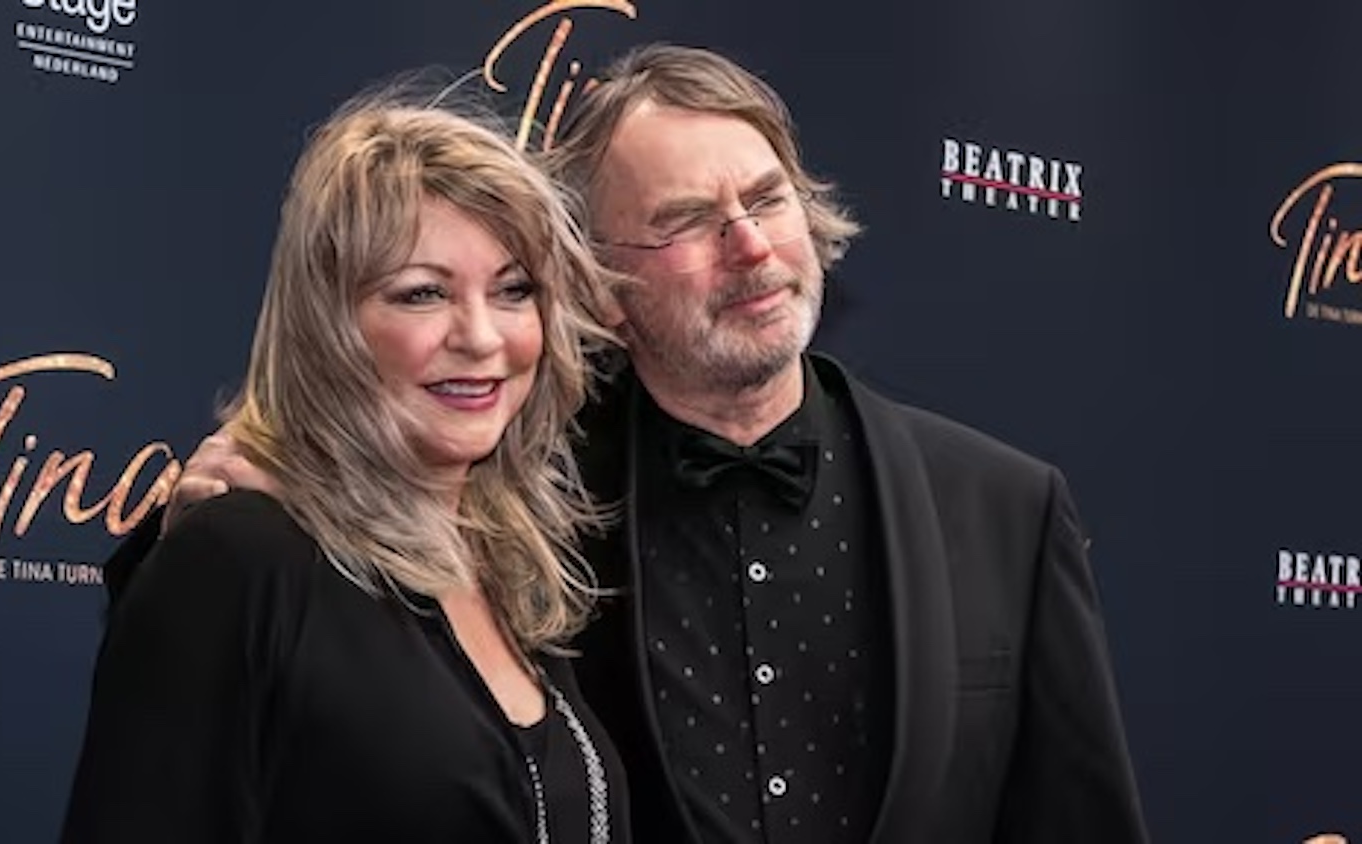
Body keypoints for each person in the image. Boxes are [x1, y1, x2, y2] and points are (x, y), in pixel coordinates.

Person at [114, 45, 1149, 843]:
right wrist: (191, 530)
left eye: (767, 200)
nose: (750, 246)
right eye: (688, 220)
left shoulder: (1007, 509)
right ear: (600, 283)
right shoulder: (512, 495)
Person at [61, 91, 629, 844]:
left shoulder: (513, 569)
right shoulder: (239, 558)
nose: (482, 336)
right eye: (423, 293)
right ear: (329, 326)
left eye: (513, 290)